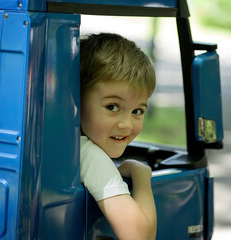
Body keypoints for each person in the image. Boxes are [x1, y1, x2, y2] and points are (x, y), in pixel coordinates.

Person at [80, 33, 157, 240]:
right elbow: (140, 236)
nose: (126, 124)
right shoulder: (88, 153)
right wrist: (141, 174)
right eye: (112, 107)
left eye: (137, 111)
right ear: (76, 101)